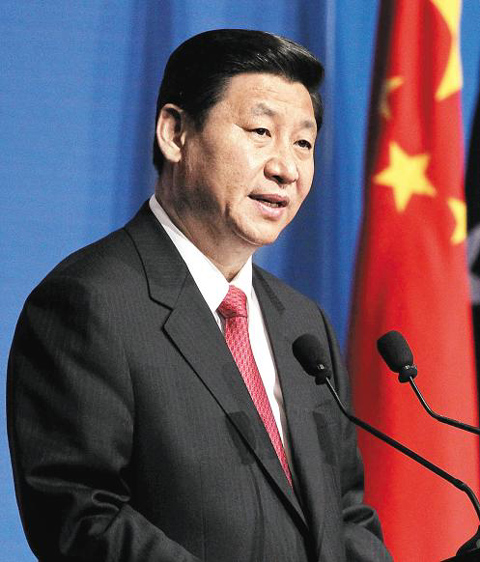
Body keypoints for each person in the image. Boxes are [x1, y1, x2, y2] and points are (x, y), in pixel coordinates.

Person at [7, 29, 391, 561]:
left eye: (303, 143)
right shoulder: (89, 303)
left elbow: (345, 513)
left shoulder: (303, 325)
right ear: (175, 133)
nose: (286, 168)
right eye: (261, 131)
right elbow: (81, 517)